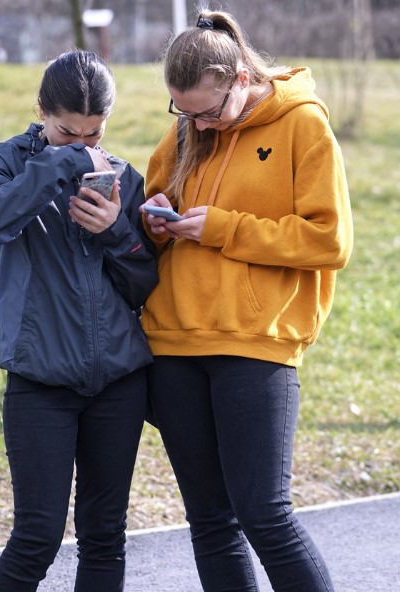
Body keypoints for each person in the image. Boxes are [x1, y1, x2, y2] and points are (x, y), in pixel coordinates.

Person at [139, 10, 353, 592]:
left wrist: (224, 227)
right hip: (173, 344)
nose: (197, 125)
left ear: (238, 79)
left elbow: (329, 240)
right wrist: (153, 224)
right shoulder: (188, 128)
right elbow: (157, 199)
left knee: (265, 516)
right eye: (183, 112)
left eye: (208, 111)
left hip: (256, 345)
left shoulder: (302, 124)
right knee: (210, 522)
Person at [0, 50, 157, 591]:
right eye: (67, 132)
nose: (83, 145)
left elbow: (145, 283)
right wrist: (61, 164)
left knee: (105, 537)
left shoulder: (122, 175)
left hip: (118, 381)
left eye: (94, 136)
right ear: (41, 111)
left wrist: (115, 233)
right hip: (40, 381)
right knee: (37, 536)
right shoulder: (4, 162)